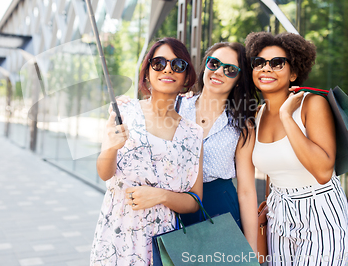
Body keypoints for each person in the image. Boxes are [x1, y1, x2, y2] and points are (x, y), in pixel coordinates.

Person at [90, 37, 204, 266]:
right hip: (116, 234)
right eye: (159, 63)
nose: (168, 69)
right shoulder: (124, 111)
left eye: (178, 64)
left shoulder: (193, 134)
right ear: (147, 72)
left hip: (163, 243)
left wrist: (161, 196)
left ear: (186, 77)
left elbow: (195, 201)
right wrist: (111, 147)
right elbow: (104, 173)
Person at [245, 32, 348, 265]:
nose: (266, 68)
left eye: (277, 63)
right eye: (259, 63)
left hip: (320, 213)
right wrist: (267, 207)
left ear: (294, 72)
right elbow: (272, 171)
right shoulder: (259, 113)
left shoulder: (312, 105)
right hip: (279, 216)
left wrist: (286, 116)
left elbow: (323, 172)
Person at [177, 42, 259, 253]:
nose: (219, 71)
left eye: (230, 69)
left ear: (239, 80)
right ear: (205, 66)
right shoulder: (175, 107)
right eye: (214, 63)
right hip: (172, 204)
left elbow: (247, 190)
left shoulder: (241, 124)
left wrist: (251, 250)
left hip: (219, 209)